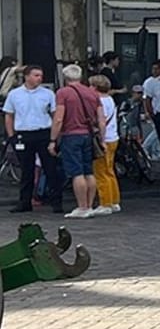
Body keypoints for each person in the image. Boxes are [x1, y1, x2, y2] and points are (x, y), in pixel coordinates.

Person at [51, 63, 101, 218]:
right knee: (89, 171)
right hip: (88, 134)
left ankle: (82, 206)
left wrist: (53, 139)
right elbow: (101, 118)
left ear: (65, 78)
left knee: (76, 172)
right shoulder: (92, 93)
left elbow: (59, 118)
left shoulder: (63, 93)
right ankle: (90, 204)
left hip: (71, 135)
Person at [4, 66, 56, 213]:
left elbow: (54, 113)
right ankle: (25, 202)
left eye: (41, 75)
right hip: (23, 134)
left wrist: (55, 135)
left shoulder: (48, 94)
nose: (39, 78)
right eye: (36, 75)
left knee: (50, 167)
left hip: (43, 132)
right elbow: (9, 114)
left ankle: (56, 201)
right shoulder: (14, 94)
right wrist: (11, 135)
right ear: (27, 76)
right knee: (26, 169)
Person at [90, 74, 120, 215]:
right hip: (113, 137)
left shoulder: (98, 101)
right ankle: (114, 200)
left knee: (100, 172)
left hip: (104, 139)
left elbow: (100, 121)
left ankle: (105, 202)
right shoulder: (110, 99)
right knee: (109, 170)